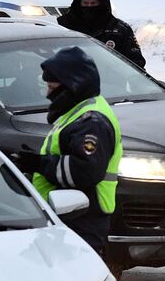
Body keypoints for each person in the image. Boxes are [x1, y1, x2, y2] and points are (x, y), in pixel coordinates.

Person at [11, 46, 122, 257]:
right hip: (69, 219)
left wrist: (40, 165)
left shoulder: (91, 122)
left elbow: (85, 171)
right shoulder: (78, 113)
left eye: (51, 86)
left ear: (72, 86)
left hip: (83, 220)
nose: (47, 93)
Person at [58, 0, 145, 68]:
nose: (89, 7)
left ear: (102, 4)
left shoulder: (119, 30)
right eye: (85, 3)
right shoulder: (62, 27)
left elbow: (136, 64)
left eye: (93, 3)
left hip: (110, 80)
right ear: (78, 4)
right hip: (72, 79)